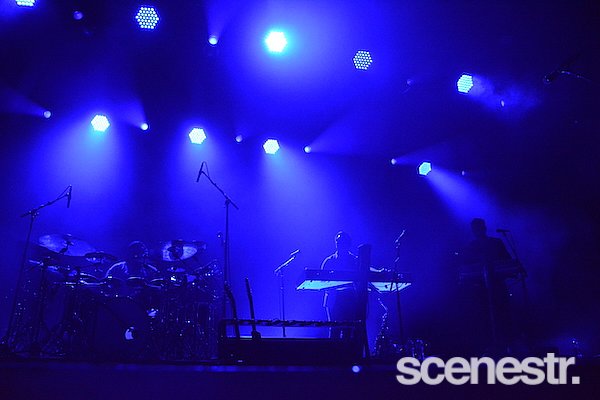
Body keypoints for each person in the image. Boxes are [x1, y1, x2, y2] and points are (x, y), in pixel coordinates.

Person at [460, 218, 513, 354]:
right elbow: (466, 267)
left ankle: (506, 345)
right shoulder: (470, 247)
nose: (479, 230)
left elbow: (507, 261)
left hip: (498, 285)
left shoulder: (496, 242)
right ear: (473, 230)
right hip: (480, 288)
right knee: (484, 317)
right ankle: (490, 346)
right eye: (476, 228)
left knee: (503, 315)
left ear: (484, 228)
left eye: (481, 227)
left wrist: (499, 266)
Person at [321, 231, 361, 339]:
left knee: (348, 331)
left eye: (343, 242)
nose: (340, 244)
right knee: (334, 330)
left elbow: (363, 275)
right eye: (338, 242)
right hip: (334, 300)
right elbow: (322, 282)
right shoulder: (329, 261)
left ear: (348, 243)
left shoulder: (355, 260)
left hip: (350, 300)